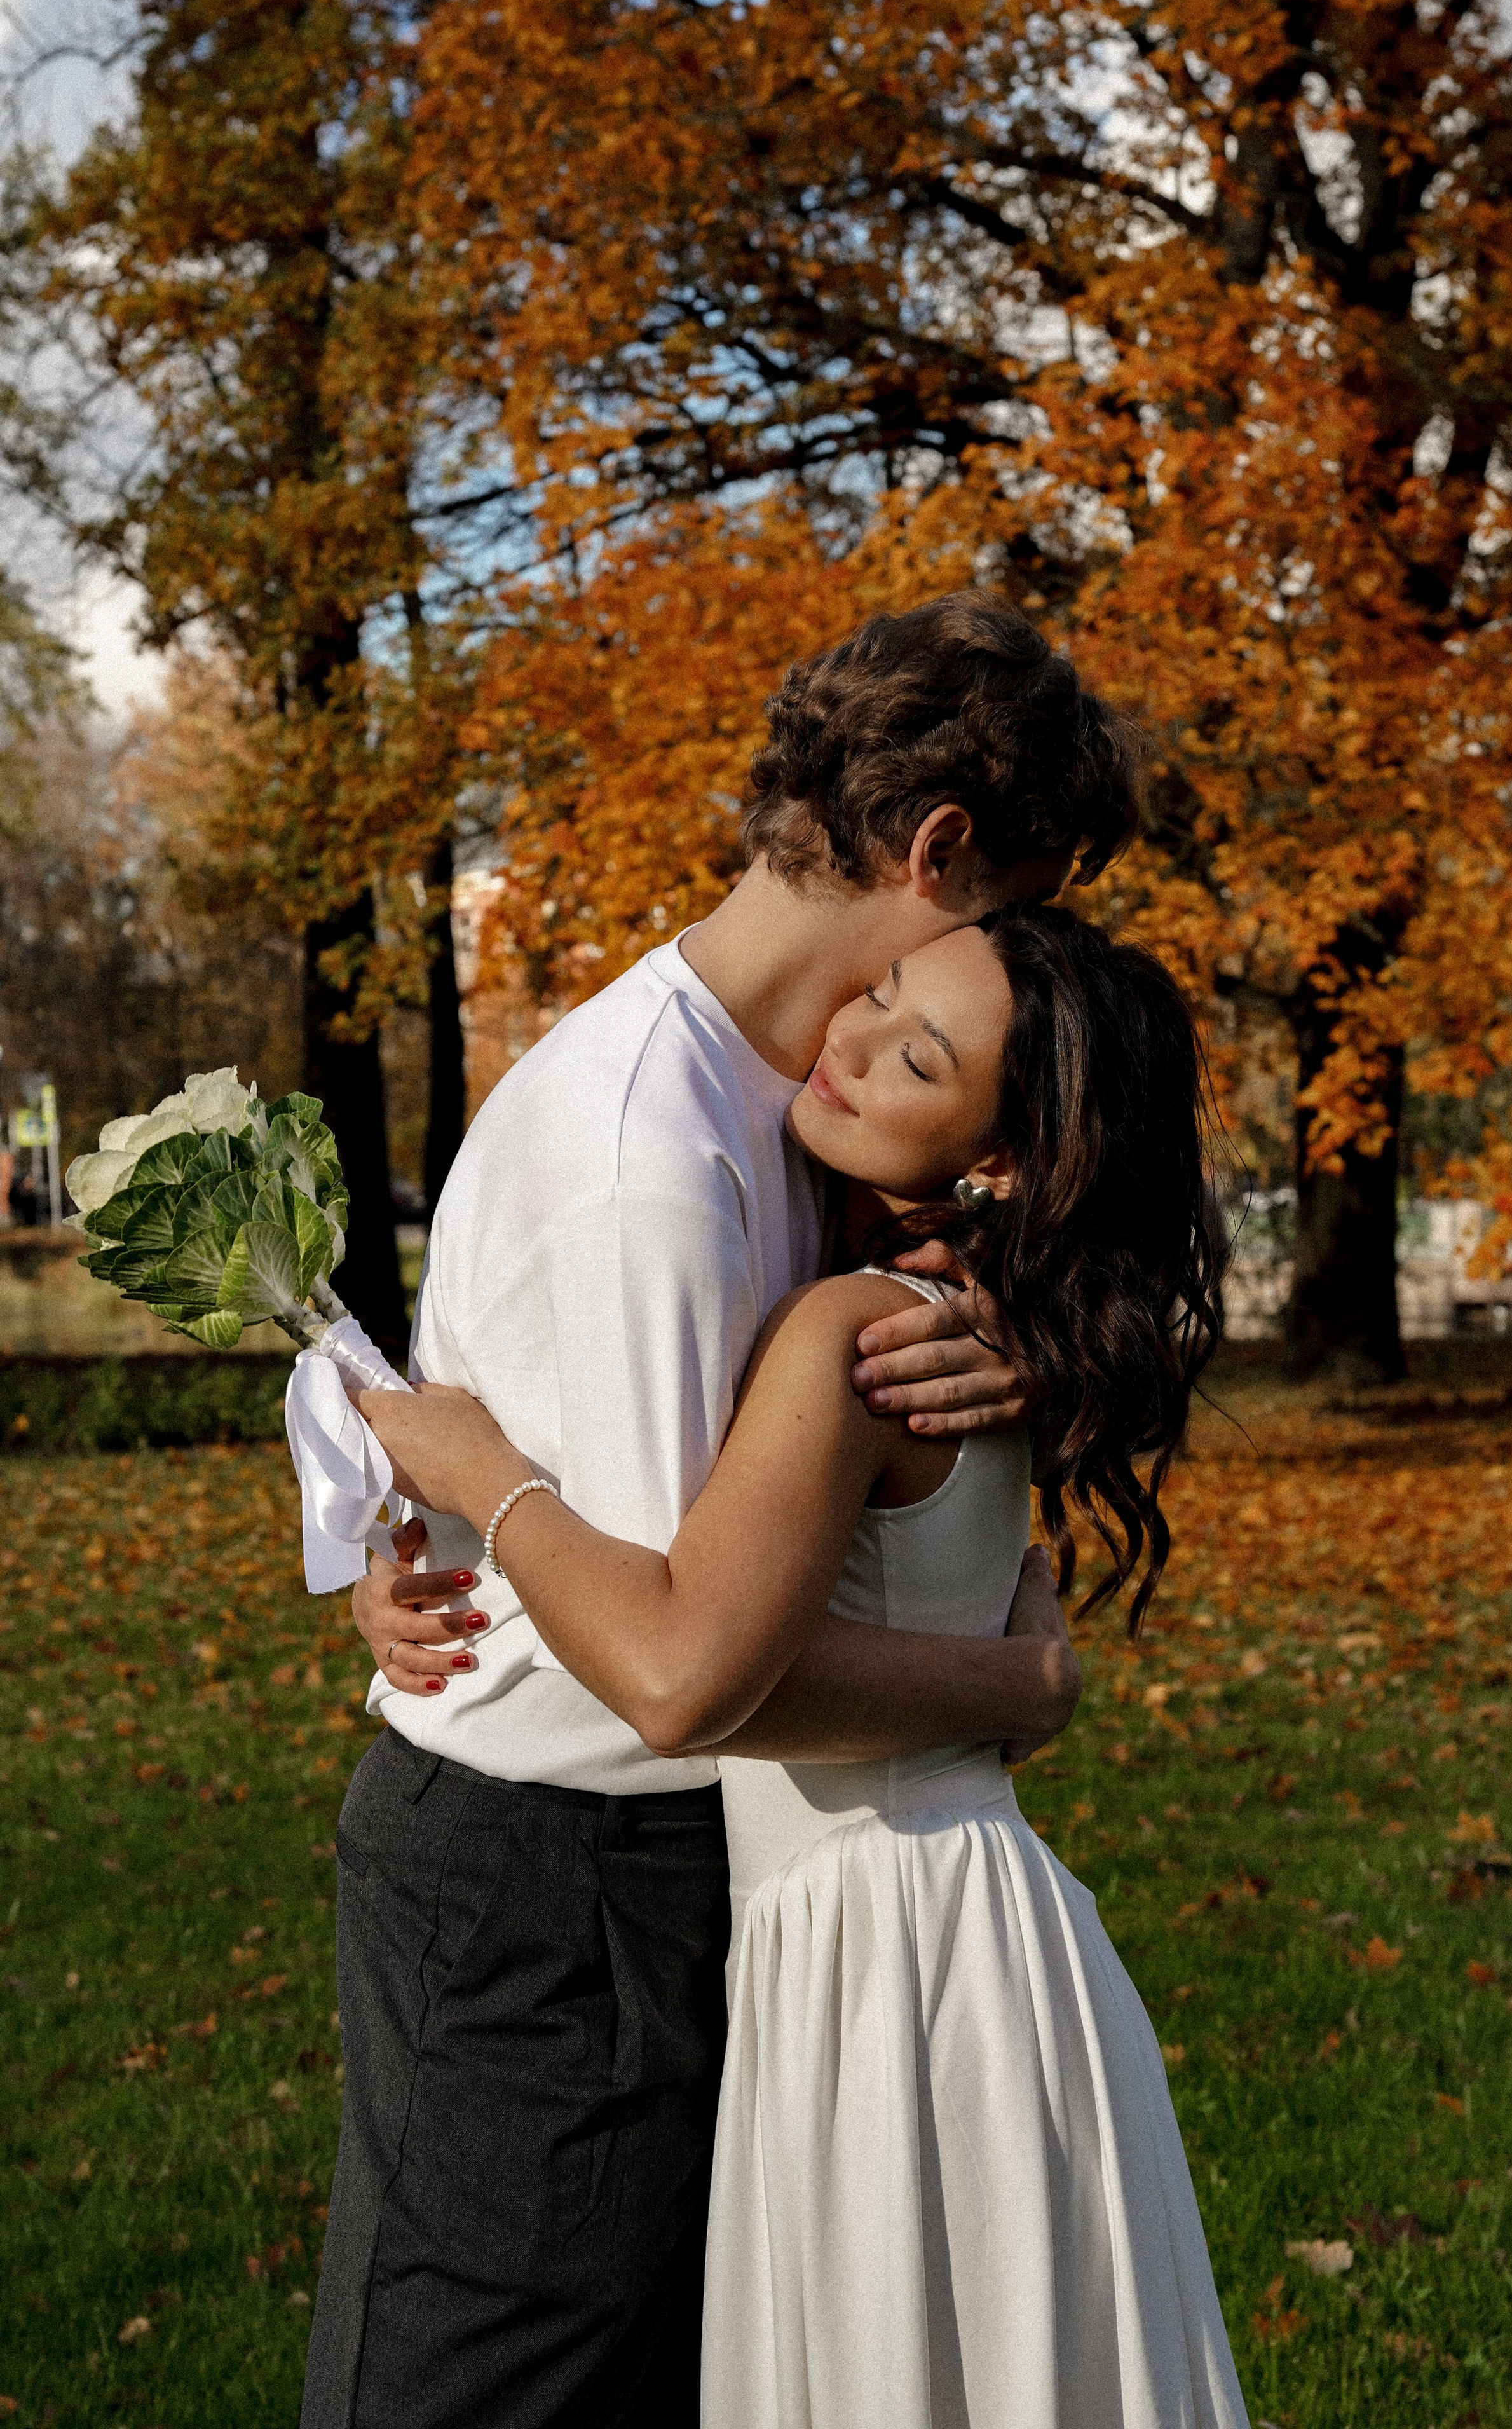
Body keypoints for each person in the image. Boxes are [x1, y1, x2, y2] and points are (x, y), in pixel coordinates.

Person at [301, 591, 1138, 2429]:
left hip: (716, 1878)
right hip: (549, 1884)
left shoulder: (800, 1109)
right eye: (1015, 905)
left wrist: (999, 1291)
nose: (1009, 960)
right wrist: (1016, 1686)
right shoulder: (651, 1154)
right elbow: (675, 1670)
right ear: (938, 853)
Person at [357, 904, 1246, 2429]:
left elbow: (682, 1668)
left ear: (997, 1162)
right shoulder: (956, 1320)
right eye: (878, 993)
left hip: (880, 1947)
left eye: (918, 1058)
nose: (850, 1042)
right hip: (945, 1914)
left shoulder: (856, 1332)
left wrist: (486, 1480)